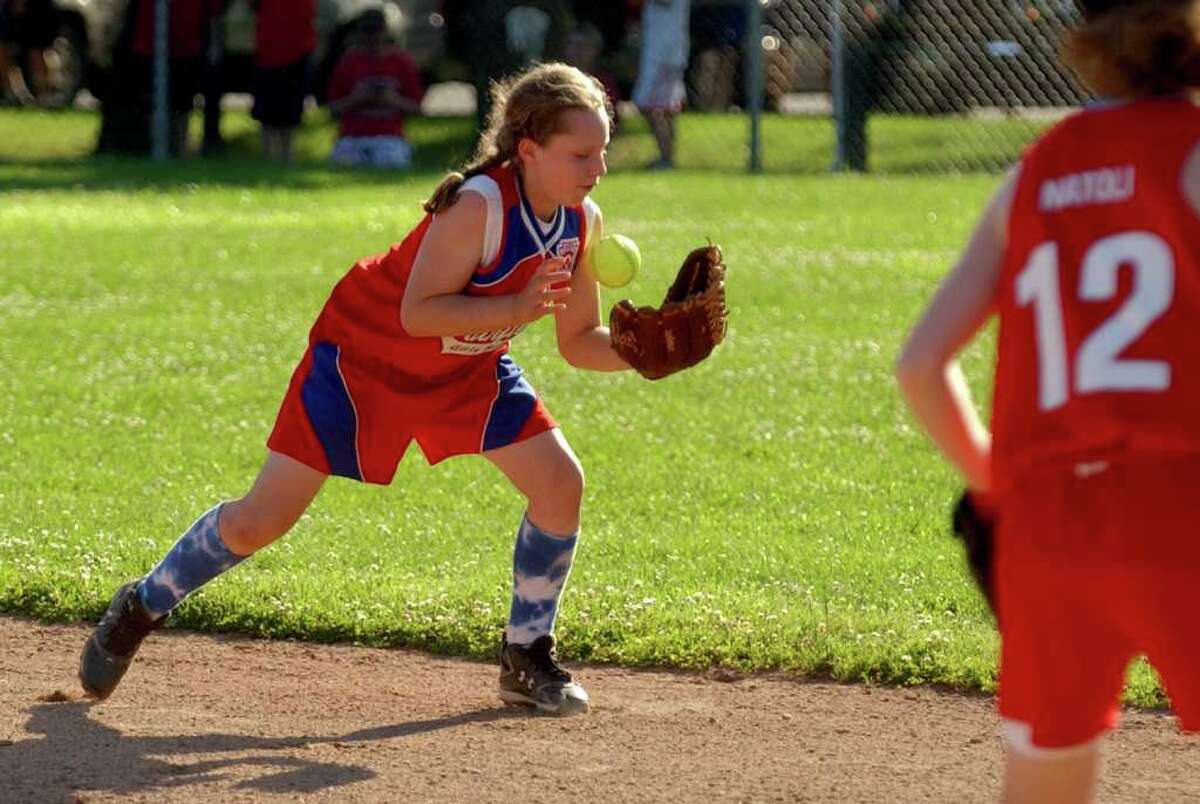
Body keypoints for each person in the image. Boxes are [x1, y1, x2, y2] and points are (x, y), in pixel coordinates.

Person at [79, 62, 626, 717]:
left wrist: (647, 356)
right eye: (582, 154)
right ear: (529, 151)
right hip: (362, 362)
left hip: (464, 370)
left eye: (603, 152)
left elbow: (578, 341)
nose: (597, 169)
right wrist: (514, 305)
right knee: (262, 519)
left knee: (560, 483)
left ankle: (526, 654)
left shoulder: (579, 220)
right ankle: (144, 603)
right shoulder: (478, 206)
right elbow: (418, 313)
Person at [895, 1, 1200, 800]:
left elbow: (921, 366)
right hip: (1182, 506)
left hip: (1049, 525)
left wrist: (997, 482)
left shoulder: (1037, 169)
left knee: (1045, 779)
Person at [327, 9, 424, 171]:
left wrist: (392, 98)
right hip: (353, 137)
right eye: (368, 31)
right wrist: (356, 98)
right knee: (345, 164)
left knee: (391, 162)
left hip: (388, 137)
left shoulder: (402, 62)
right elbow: (332, 109)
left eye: (376, 31)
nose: (373, 37)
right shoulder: (349, 62)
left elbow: (417, 108)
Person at [251, 0, 315, 163]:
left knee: (291, 107)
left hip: (298, 45)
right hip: (269, 47)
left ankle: (287, 155)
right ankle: (267, 155)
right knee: (267, 107)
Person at [632, 0, 689, 170]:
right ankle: (667, 155)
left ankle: (666, 158)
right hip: (664, 52)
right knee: (666, 107)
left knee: (649, 105)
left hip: (663, 54)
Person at [563, 22, 622, 132]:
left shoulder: (604, 82)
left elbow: (612, 120)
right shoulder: (557, 81)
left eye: (582, 46)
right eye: (571, 44)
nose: (576, 51)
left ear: (596, 50)